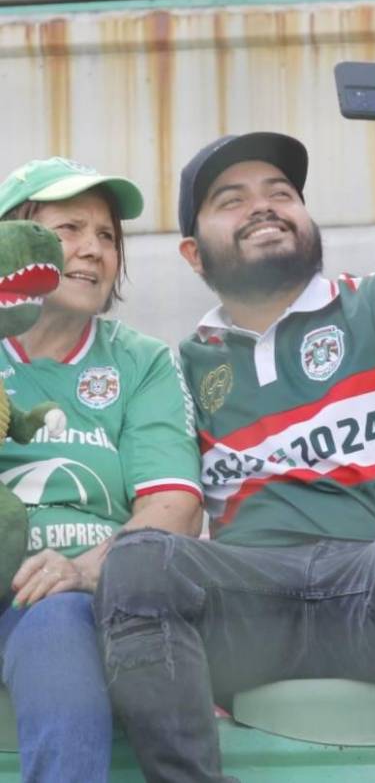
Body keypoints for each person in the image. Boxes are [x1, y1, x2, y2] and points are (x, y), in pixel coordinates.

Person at [92, 58, 375, 783]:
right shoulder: (177, 366)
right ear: (191, 253)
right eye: (231, 200)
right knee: (139, 563)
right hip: (250, 608)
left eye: (282, 192)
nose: (264, 206)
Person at [0, 158, 202, 783]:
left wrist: (80, 573)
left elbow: (174, 508)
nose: (92, 249)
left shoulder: (140, 362)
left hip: (80, 600)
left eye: (107, 235)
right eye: (68, 229)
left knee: (60, 621)